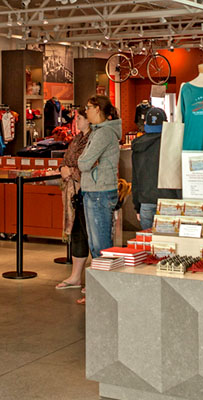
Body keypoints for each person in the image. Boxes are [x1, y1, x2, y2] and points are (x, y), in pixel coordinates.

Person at [78, 95, 121, 260]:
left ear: (97, 109)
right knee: (96, 242)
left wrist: (85, 160)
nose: (86, 110)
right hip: (95, 191)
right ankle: (98, 282)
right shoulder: (98, 132)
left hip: (99, 192)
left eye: (88, 107)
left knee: (100, 244)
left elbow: (83, 163)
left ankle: (103, 283)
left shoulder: (104, 133)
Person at [55, 109, 92, 291]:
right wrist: (63, 168)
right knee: (77, 231)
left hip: (89, 191)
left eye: (80, 118)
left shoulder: (94, 139)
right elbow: (66, 158)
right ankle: (76, 276)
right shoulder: (76, 139)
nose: (76, 120)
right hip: (73, 193)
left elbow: (93, 164)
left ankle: (95, 277)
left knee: (90, 233)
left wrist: (72, 172)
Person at [132, 107, 170, 231]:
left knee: (148, 245)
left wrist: (137, 206)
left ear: (145, 124)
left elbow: (135, 179)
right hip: (169, 201)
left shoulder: (138, 145)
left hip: (146, 201)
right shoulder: (171, 143)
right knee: (167, 245)